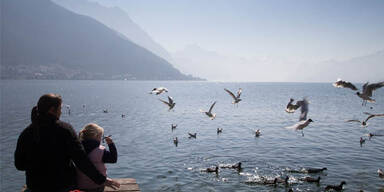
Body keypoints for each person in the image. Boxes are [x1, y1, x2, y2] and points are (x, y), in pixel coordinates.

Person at [14, 94, 120, 192]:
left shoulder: (26, 133)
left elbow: (19, 165)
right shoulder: (65, 130)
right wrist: (102, 180)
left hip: (35, 187)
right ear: (52, 110)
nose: (61, 112)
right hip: (63, 187)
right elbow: (81, 161)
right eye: (60, 108)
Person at [76, 123, 117, 192]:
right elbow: (113, 159)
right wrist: (111, 144)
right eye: (100, 137)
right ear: (96, 136)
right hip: (97, 185)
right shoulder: (100, 151)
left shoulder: (77, 148)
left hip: (81, 185)